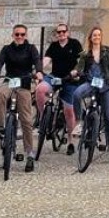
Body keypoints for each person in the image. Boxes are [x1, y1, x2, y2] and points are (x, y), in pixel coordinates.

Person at [0, 23, 41, 172]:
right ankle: (0, 126)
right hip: (9, 81)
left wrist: (38, 72)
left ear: (25, 36)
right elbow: (0, 60)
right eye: (17, 34)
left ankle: (29, 154)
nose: (19, 37)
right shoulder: (7, 49)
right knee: (0, 94)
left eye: (22, 34)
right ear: (13, 35)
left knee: (26, 120)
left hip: (24, 83)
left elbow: (37, 60)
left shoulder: (31, 48)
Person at [71, 26, 109, 163]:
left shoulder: (107, 51)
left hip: (105, 86)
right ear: (90, 38)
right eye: (94, 35)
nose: (97, 37)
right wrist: (75, 72)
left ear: (101, 37)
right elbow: (79, 67)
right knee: (76, 94)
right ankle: (80, 122)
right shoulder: (85, 54)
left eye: (99, 35)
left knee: (108, 118)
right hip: (90, 83)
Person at [35, 22, 83, 154]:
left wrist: (76, 71)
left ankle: (71, 141)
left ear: (67, 33)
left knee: (69, 111)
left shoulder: (75, 44)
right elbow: (46, 60)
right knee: (40, 89)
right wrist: (39, 70)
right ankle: (44, 117)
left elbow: (81, 61)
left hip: (69, 79)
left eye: (63, 31)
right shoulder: (54, 46)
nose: (61, 34)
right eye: (58, 32)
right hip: (55, 77)